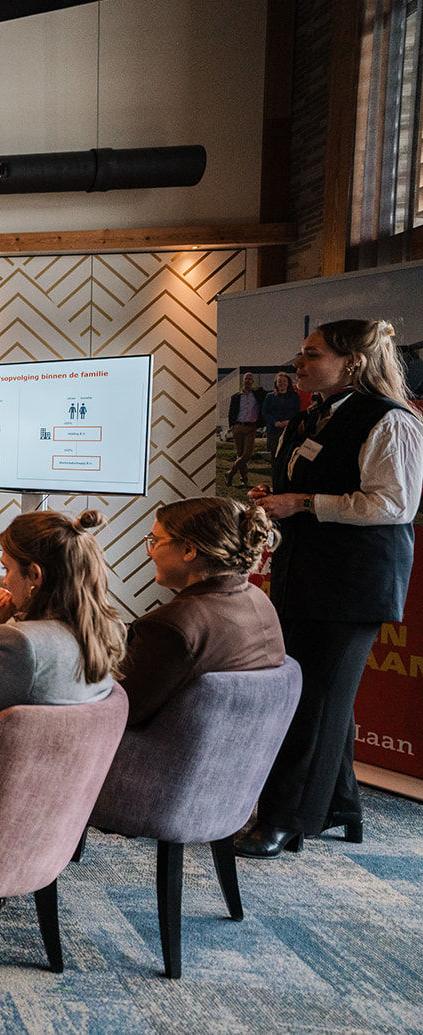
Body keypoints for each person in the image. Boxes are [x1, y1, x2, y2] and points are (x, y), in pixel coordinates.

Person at [238, 319, 423, 858]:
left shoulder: (391, 420)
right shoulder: (307, 418)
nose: (297, 363)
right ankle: (341, 804)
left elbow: (394, 505)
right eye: (301, 353)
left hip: (353, 583)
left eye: (311, 354)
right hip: (303, 574)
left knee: (312, 699)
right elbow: (318, 485)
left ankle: (286, 819)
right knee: (319, 693)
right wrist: (278, 495)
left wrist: (302, 503)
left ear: (353, 363)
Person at [122, 497, 284, 727]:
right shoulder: (258, 600)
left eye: (155, 541)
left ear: (189, 550)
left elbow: (121, 711)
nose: (150, 552)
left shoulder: (174, 625)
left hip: (156, 747)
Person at [0, 510, 121, 717]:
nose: (5, 581)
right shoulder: (100, 633)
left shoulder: (16, 641)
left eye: (6, 569)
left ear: (35, 574)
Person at [228, 371, 267, 488]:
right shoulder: (236, 396)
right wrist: (232, 426)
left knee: (246, 455)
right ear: (243, 381)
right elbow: (231, 411)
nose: (248, 381)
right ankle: (244, 480)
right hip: (238, 427)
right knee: (240, 454)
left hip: (251, 427)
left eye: (250, 379)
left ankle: (230, 473)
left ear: (253, 381)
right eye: (246, 379)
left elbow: (271, 393)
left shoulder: (258, 394)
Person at [263, 370, 301, 462]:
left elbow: (296, 412)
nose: (282, 383)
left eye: (284, 381)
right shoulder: (269, 396)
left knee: (288, 454)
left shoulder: (294, 396)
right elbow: (265, 412)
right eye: (279, 381)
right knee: (275, 455)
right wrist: (275, 422)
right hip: (274, 430)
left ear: (288, 383)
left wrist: (290, 421)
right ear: (276, 383)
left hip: (289, 429)